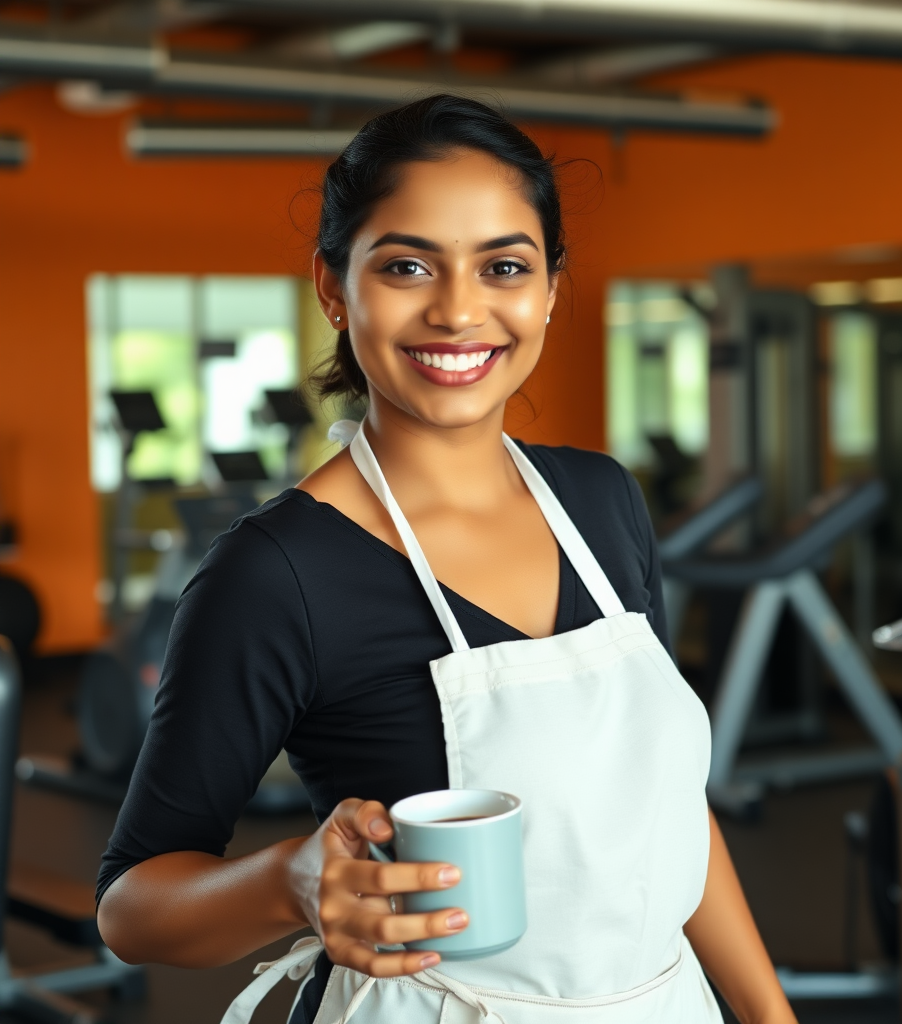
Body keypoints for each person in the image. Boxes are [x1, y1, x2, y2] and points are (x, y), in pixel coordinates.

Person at [96, 94, 798, 1024]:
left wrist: (770, 1014)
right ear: (334, 290)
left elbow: (664, 808)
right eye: (406, 266)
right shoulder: (277, 572)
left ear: (549, 287)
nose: (459, 309)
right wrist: (289, 881)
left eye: (504, 265)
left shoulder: (601, 500)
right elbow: (132, 908)